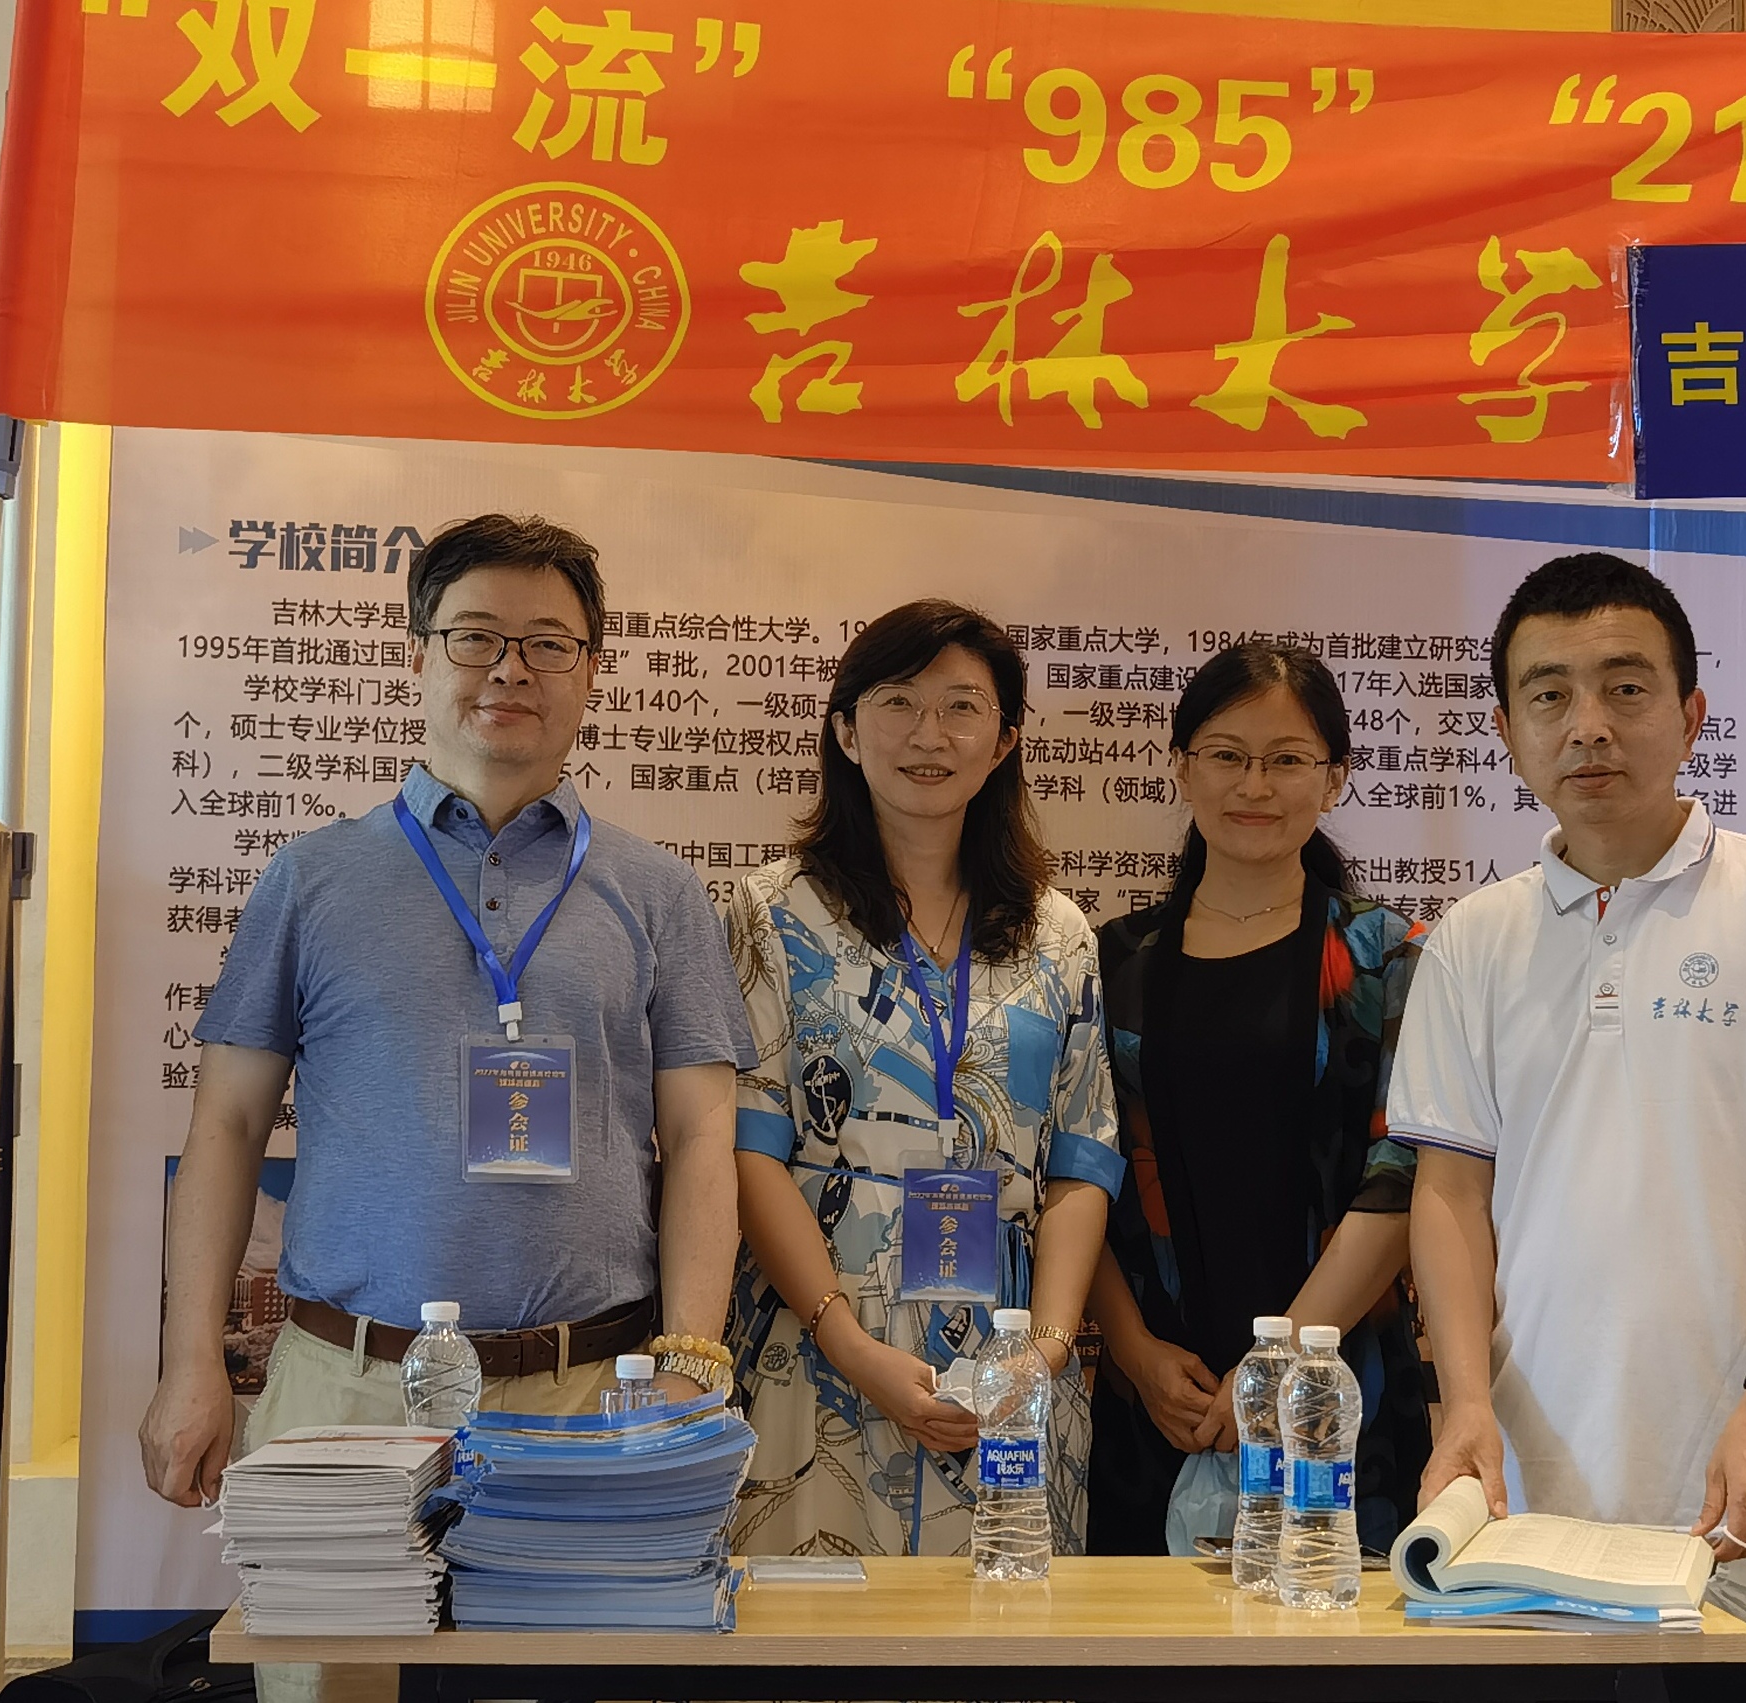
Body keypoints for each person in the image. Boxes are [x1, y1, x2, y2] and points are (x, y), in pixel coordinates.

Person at [139, 514, 757, 1520]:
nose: (511, 669)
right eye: (475, 637)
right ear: (418, 654)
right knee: (323, 1633)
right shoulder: (310, 879)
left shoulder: (658, 892)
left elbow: (699, 1136)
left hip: (591, 1395)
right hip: (346, 1389)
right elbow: (228, 1124)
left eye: (548, 644)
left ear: (591, 671)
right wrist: (190, 1361)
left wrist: (692, 1361)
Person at [1388, 553, 1746, 1703]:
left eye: (1626, 687)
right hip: (1526, 1521)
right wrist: (1464, 1402)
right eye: (1549, 694)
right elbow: (1449, 1194)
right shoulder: (1472, 940)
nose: (1589, 725)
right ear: (1508, 731)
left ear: (1691, 715)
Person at [723, 600, 1122, 1557]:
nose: (928, 734)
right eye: (897, 701)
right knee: (812, 1628)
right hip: (815, 1340)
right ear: (845, 731)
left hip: (1011, 1362)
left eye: (961, 706)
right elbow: (747, 1146)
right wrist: (848, 1344)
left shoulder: (1059, 933)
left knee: (1001, 1625)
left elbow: (1081, 1159)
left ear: (1005, 739)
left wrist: (1044, 1353)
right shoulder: (772, 913)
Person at [1086, 643, 1431, 1556]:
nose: (1254, 784)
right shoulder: (1112, 962)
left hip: (1339, 1391)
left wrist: (1283, 1363)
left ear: (1335, 777)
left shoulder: (1386, 956)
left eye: (1286, 759)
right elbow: (1074, 1174)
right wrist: (1132, 1350)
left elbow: (1402, 1174)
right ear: (1180, 765)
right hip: (1159, 1399)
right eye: (1226, 755)